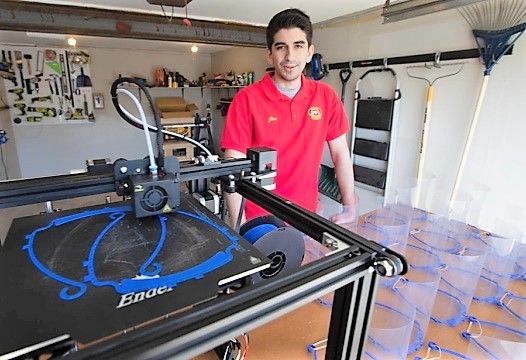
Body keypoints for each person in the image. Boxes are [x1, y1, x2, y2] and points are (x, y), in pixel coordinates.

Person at [220, 8, 357, 228]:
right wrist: (240, 225)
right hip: (259, 219)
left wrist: (350, 206)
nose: (290, 56)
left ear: (310, 52)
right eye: (281, 47)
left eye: (298, 46)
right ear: (270, 53)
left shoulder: (326, 97)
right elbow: (232, 166)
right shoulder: (246, 99)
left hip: (306, 215)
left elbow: (340, 153)